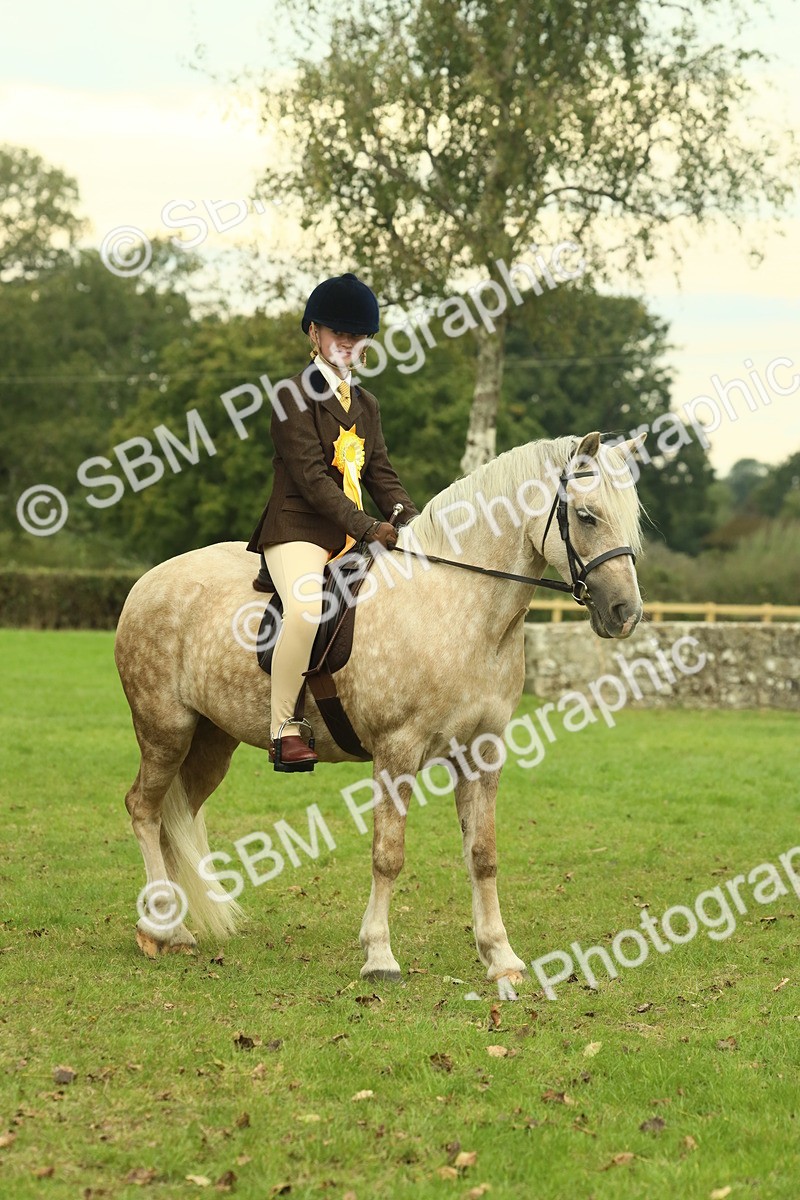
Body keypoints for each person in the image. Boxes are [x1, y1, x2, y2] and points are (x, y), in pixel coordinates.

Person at [246, 272, 419, 772]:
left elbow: (381, 473)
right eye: (336, 331)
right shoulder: (290, 397)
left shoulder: (366, 405)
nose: (346, 340)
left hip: (352, 534)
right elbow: (313, 481)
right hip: (298, 530)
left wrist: (409, 520)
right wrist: (369, 528)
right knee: (303, 609)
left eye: (355, 334)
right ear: (314, 334)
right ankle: (285, 728)